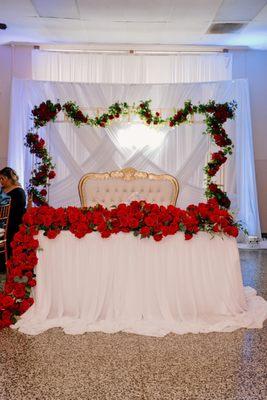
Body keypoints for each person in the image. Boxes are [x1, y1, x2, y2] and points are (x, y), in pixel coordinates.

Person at [0, 167, 26, 258]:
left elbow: (17, 211)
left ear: (7, 178)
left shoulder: (19, 192)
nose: (0, 181)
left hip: (12, 225)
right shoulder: (2, 190)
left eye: (1, 179)